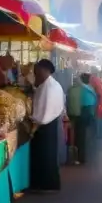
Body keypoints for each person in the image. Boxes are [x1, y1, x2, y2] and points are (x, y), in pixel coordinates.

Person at [28, 59, 66, 192]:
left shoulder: (48, 87)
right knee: (47, 155)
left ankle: (45, 184)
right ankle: (46, 183)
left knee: (44, 155)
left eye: (37, 71)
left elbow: (43, 111)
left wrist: (34, 126)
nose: (35, 74)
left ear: (45, 70)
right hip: (49, 124)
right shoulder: (50, 84)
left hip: (45, 125)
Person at [66, 73, 98, 165]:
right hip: (87, 112)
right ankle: (83, 156)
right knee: (84, 135)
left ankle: (75, 157)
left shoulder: (74, 89)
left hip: (76, 113)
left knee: (76, 135)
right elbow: (94, 102)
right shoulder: (90, 89)